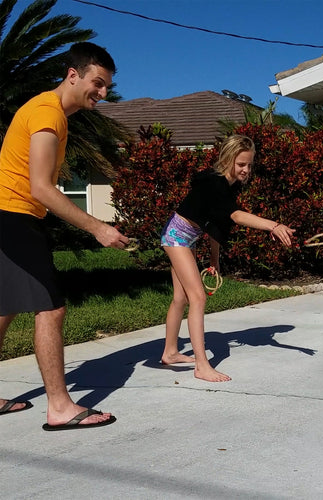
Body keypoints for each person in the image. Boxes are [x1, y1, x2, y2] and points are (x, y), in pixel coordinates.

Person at [0, 42, 130, 430]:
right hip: (13, 215)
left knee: (5, 309)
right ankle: (59, 407)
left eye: (107, 86)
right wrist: (98, 227)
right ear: (73, 75)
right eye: (97, 83)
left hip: (9, 214)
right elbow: (40, 187)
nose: (103, 93)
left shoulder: (49, 111)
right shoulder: (47, 114)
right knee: (51, 308)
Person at [160, 134, 295, 382]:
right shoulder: (216, 183)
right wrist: (273, 226)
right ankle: (202, 366)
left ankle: (170, 352)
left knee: (180, 297)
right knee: (197, 297)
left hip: (187, 237)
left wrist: (215, 261)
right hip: (177, 236)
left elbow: (215, 226)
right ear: (228, 159)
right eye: (241, 164)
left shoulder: (228, 186)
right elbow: (235, 216)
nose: (246, 170)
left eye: (250, 165)